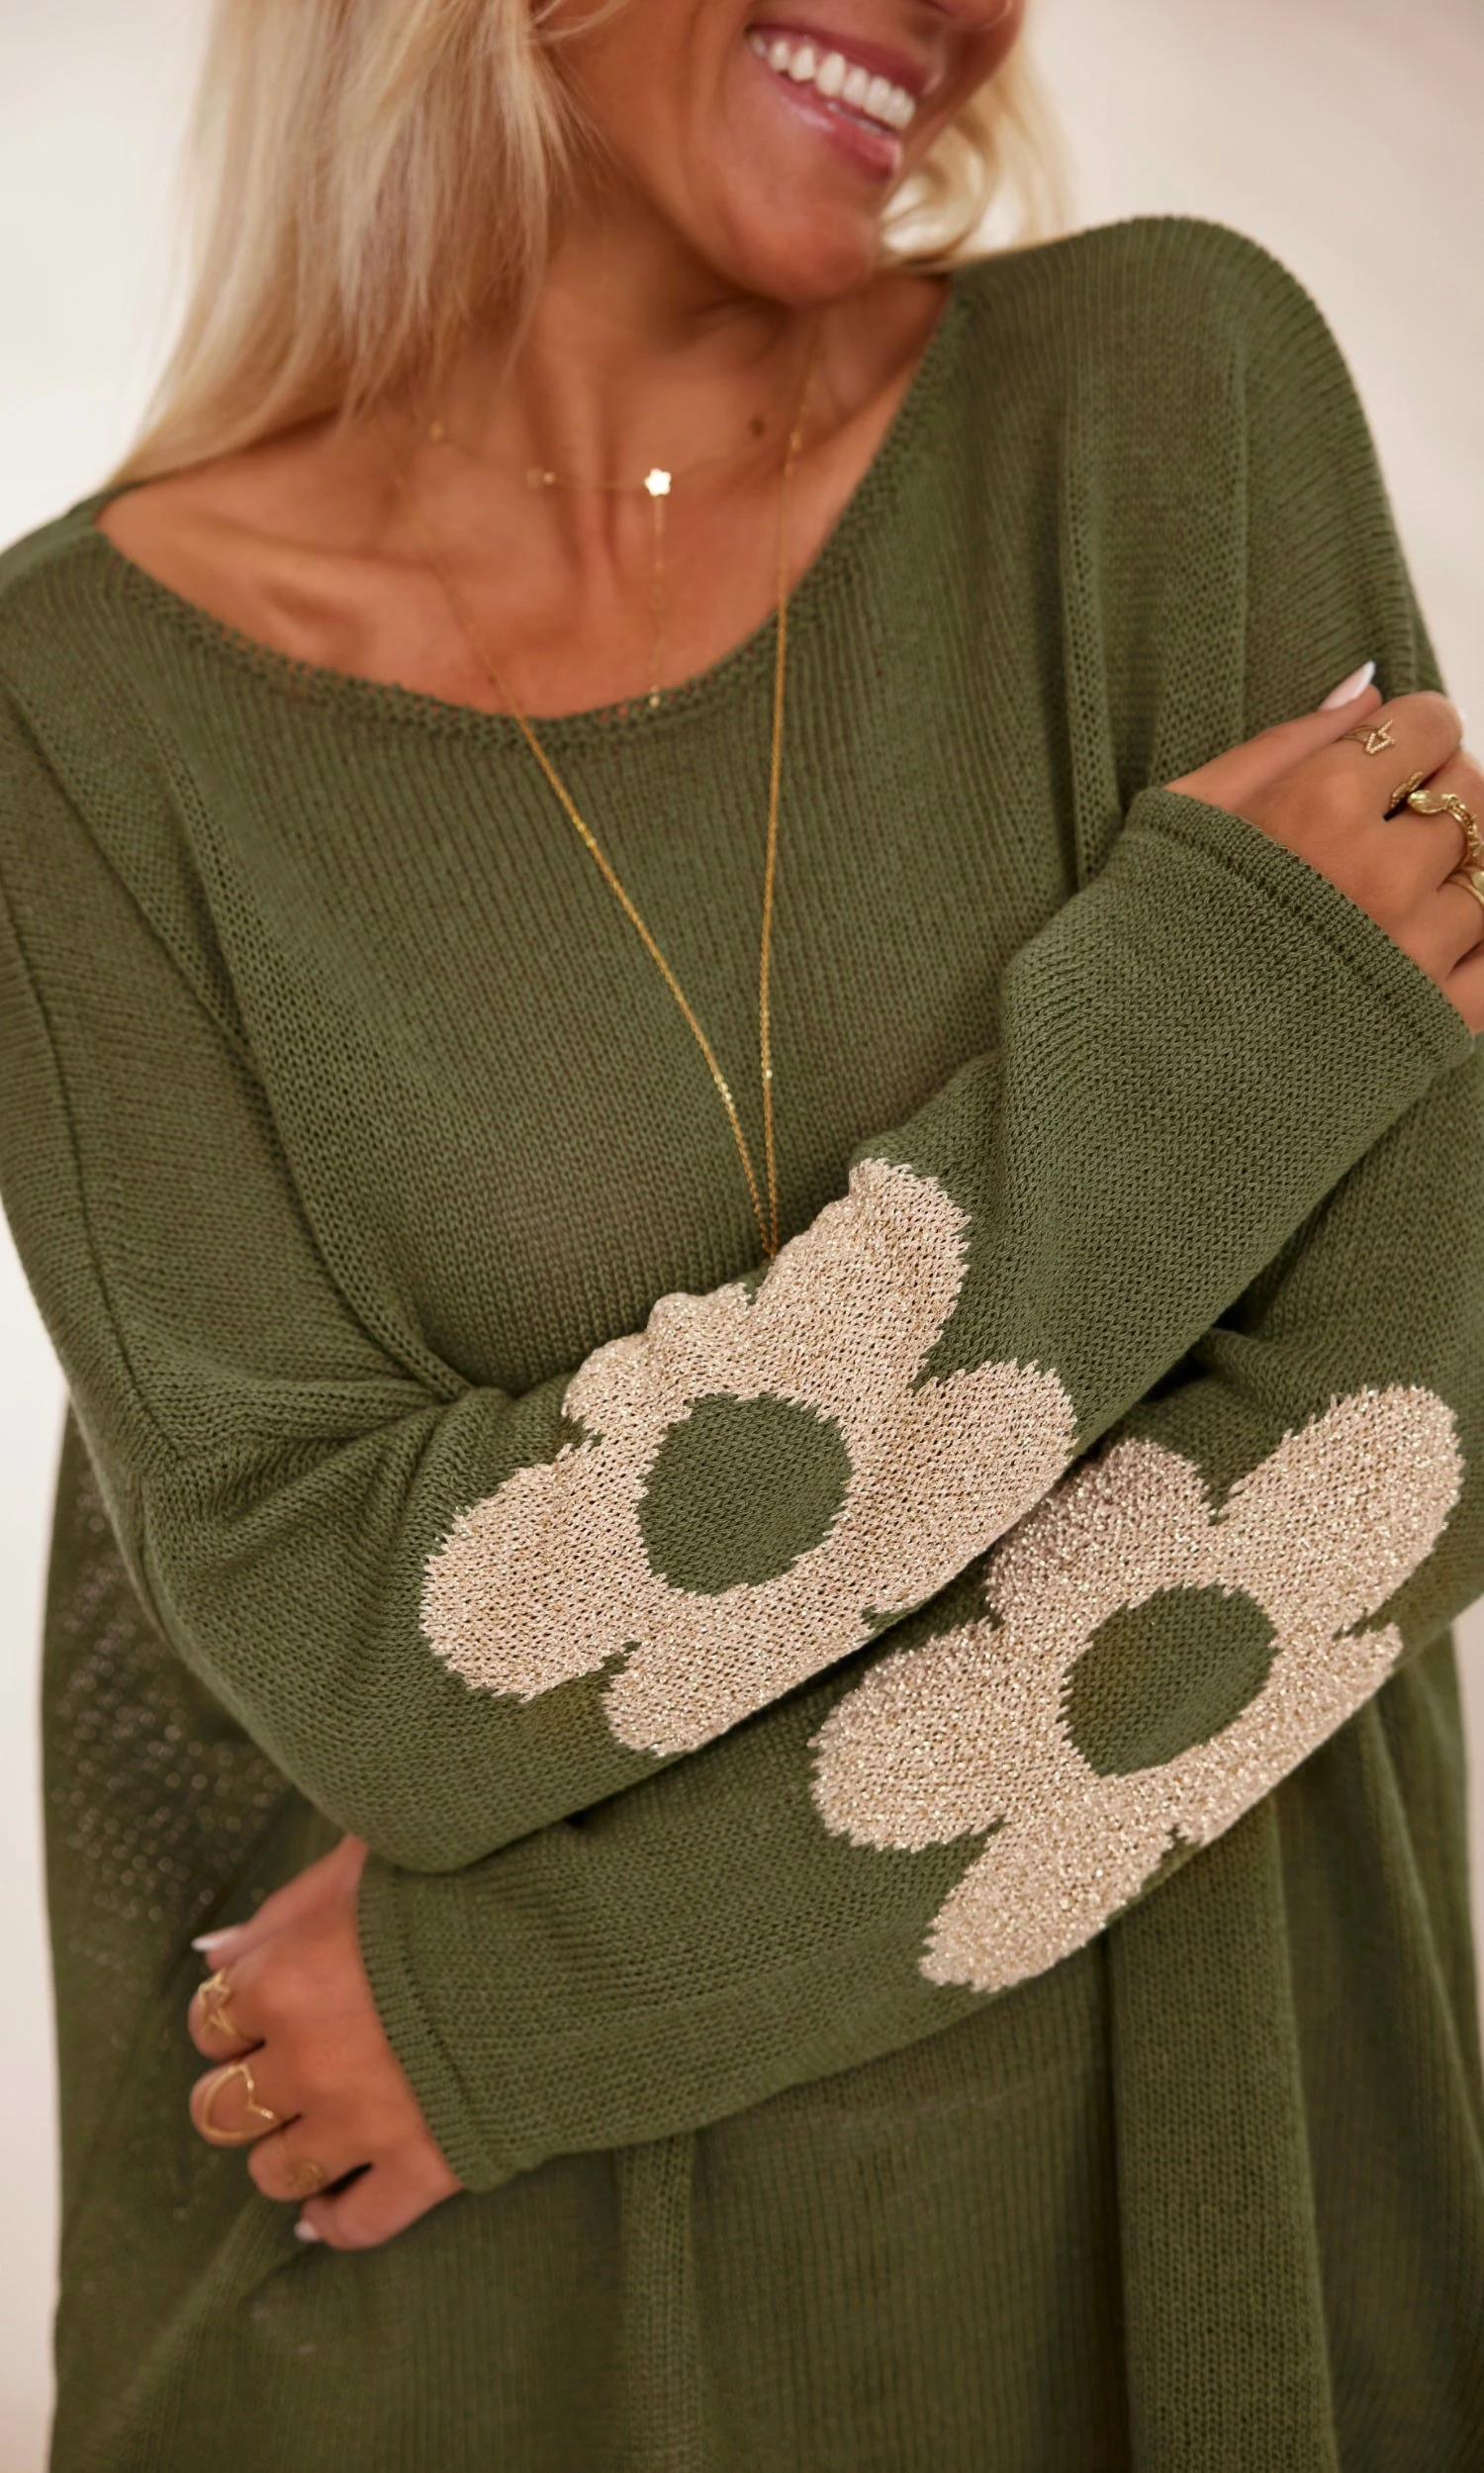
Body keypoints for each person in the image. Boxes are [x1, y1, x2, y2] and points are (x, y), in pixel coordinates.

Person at [2, 0, 1483, 2460]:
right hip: (486, 2348)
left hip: (1189, 2229)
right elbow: (390, 1665)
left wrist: (543, 1996)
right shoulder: (68, 711)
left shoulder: (1164, 397)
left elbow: (1399, 1429)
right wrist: (1207, 1034)